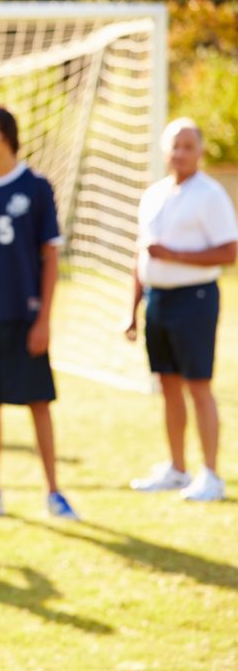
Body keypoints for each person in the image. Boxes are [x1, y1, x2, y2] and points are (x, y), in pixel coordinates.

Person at [0, 104, 78, 520]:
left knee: (38, 401)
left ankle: (55, 492)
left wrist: (44, 319)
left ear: (8, 135)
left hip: (25, 316)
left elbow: (50, 256)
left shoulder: (36, 187)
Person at [126, 118, 238, 502]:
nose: (180, 153)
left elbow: (229, 251)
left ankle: (210, 473)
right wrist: (133, 307)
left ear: (200, 150)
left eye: (188, 146)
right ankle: (177, 467)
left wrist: (175, 255)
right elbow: (142, 254)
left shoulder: (210, 195)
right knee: (168, 386)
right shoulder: (154, 194)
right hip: (158, 300)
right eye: (175, 146)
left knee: (198, 386)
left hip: (195, 299)